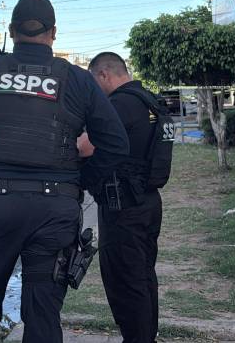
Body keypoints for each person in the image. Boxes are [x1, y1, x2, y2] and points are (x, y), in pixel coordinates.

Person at [0, 0, 130, 343]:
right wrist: (80, 182)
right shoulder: (77, 79)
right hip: (55, 212)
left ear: (11, 31)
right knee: (42, 314)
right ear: (54, 32)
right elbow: (115, 143)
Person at [79, 52, 173, 343]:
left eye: (94, 82)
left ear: (103, 75)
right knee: (142, 276)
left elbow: (85, 147)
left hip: (122, 206)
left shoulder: (119, 104)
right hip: (148, 202)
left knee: (124, 281)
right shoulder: (150, 101)